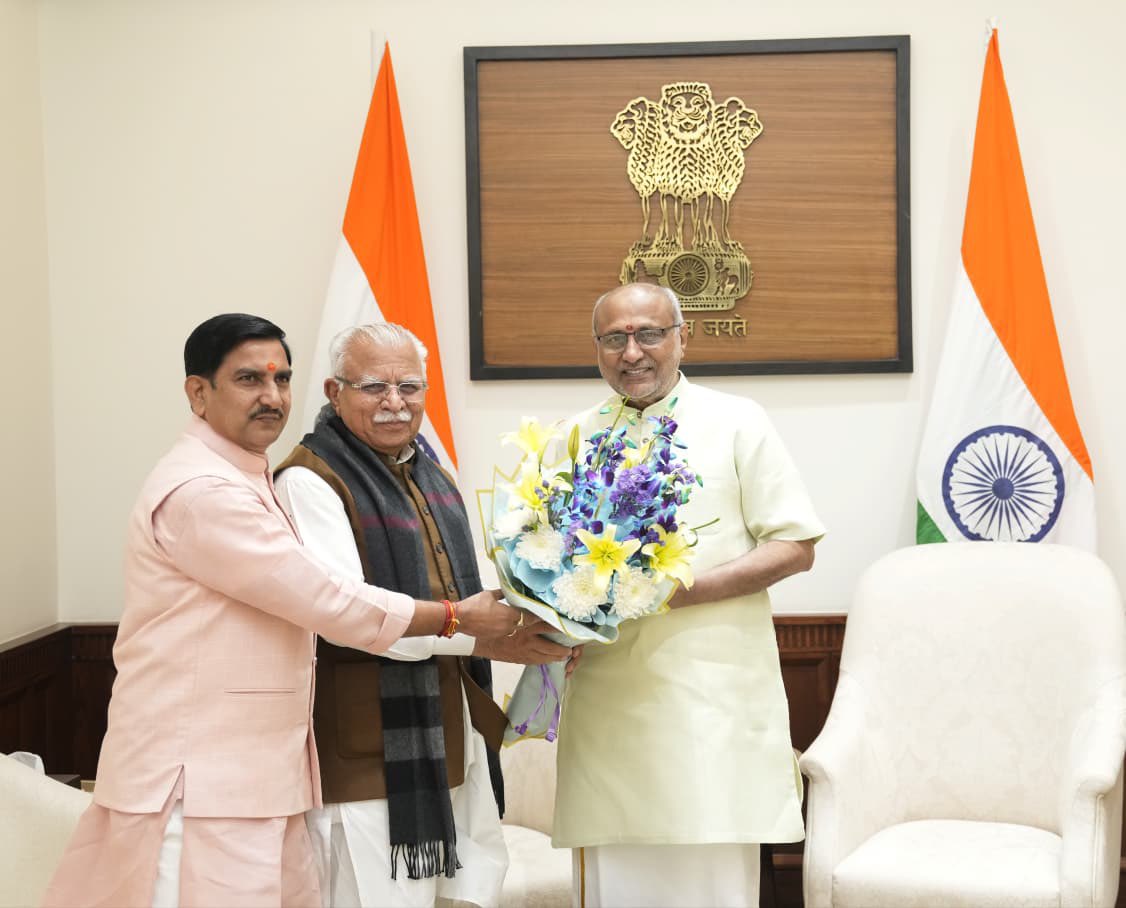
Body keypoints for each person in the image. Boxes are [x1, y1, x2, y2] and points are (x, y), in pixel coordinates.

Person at [43, 314, 521, 908]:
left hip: (255, 774)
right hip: (198, 777)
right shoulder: (203, 493)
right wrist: (459, 619)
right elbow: (329, 600)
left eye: (281, 378)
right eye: (248, 379)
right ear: (199, 392)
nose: (271, 397)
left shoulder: (245, 475)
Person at [274, 322, 572, 908]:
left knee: (463, 891)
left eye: (409, 386)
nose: (394, 403)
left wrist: (541, 622)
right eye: (373, 387)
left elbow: (465, 594)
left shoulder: (427, 470)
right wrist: (480, 637)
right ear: (334, 392)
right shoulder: (309, 480)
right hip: (366, 747)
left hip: (451, 730)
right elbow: (351, 618)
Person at [554, 284, 825, 908]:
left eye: (649, 334)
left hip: (711, 702)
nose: (632, 353)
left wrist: (683, 593)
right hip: (608, 707)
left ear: (683, 337)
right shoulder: (571, 437)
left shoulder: (738, 420)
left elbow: (795, 545)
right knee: (618, 881)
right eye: (614, 338)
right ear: (596, 348)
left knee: (708, 883)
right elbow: (550, 563)